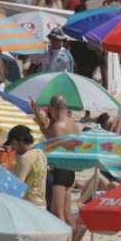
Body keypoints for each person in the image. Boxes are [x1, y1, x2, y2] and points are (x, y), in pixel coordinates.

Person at [6, 124, 47, 241]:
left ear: (21, 140)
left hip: (28, 207)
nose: (12, 147)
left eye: (14, 143)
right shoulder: (40, 154)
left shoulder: (24, 159)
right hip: (40, 206)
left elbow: (18, 186)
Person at [33, 95, 81, 225]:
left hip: (59, 170)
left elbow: (51, 146)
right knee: (67, 213)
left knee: (57, 212)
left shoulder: (57, 126)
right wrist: (37, 113)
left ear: (53, 109)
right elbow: (49, 135)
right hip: (70, 171)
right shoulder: (74, 125)